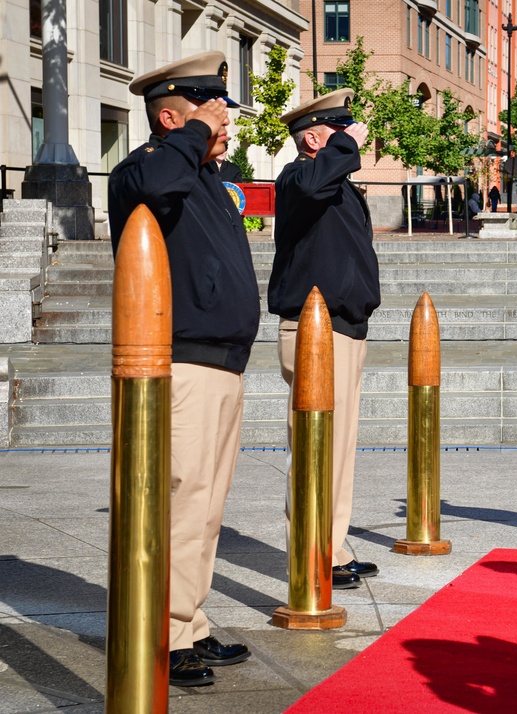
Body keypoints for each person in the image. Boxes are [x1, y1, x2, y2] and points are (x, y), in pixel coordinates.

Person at [107, 51, 260, 688]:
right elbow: (151, 188)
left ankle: (188, 623)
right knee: (181, 500)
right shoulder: (145, 167)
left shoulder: (203, 178)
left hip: (223, 361)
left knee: (206, 507)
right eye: (209, 111)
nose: (222, 122)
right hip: (183, 359)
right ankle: (164, 635)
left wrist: (204, 143)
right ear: (170, 117)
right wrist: (194, 136)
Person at [268, 88, 381, 590]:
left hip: (345, 327)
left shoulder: (331, 179)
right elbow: (312, 186)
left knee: (339, 449)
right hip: (315, 330)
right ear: (313, 137)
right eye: (339, 130)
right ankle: (311, 552)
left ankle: (329, 550)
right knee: (316, 446)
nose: (352, 137)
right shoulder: (298, 176)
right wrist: (341, 151)